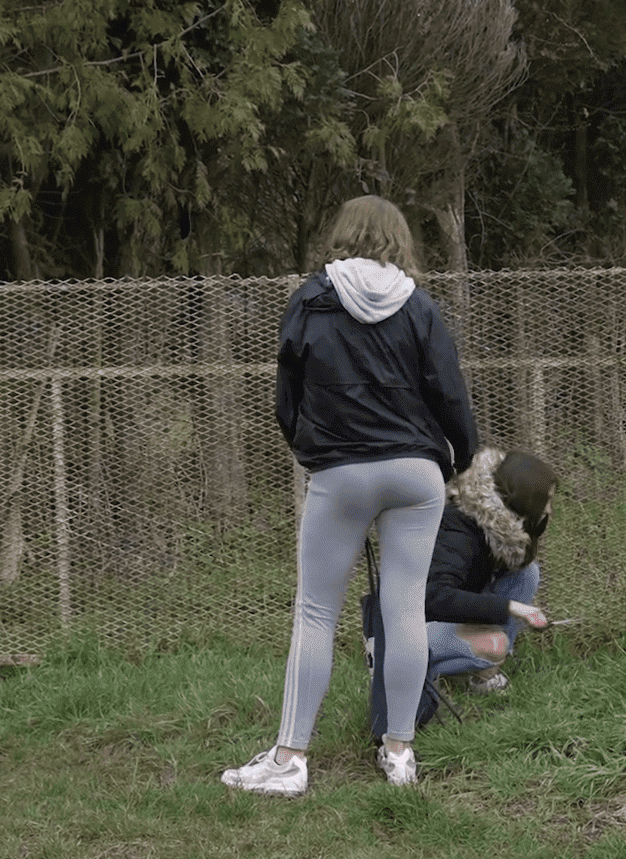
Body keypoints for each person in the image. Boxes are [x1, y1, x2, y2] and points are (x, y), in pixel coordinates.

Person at [222, 195, 477, 796]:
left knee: (315, 612)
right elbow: (450, 391)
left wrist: (310, 452)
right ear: (398, 240)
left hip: (340, 473)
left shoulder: (311, 300)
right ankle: (399, 753)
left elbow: (288, 396)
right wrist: (458, 458)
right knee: (404, 608)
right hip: (416, 474)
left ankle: (289, 762)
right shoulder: (419, 306)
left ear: (344, 235)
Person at [362, 447, 556, 739]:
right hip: (400, 629)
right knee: (495, 644)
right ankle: (402, 669)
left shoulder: (494, 525)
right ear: (527, 500)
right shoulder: (458, 531)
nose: (549, 510)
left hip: (437, 617)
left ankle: (483, 673)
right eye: (546, 501)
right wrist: (510, 608)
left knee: (526, 574)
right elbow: (433, 597)